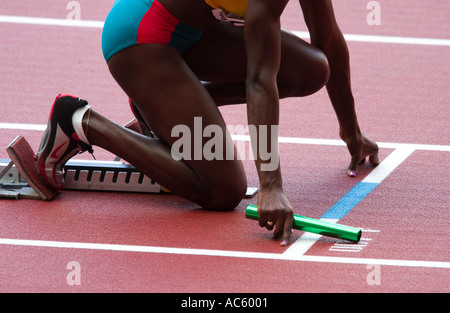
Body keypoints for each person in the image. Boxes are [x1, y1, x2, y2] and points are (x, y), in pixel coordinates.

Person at [36, 0, 379, 246]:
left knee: (312, 69)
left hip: (195, 35)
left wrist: (351, 130)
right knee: (223, 190)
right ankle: (79, 121)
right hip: (140, 37)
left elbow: (329, 41)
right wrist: (271, 185)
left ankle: (165, 108)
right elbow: (259, 80)